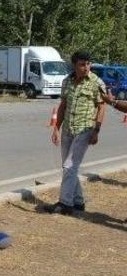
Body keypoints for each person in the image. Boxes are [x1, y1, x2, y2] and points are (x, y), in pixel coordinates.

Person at [48, 50, 106, 215]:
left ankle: (65, 204)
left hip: (85, 129)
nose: (86, 67)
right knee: (69, 167)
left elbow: (102, 106)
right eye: (82, 64)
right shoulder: (67, 81)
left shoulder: (96, 82)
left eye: (88, 64)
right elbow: (63, 106)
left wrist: (96, 130)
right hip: (68, 129)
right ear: (74, 65)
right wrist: (56, 129)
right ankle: (78, 202)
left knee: (69, 166)